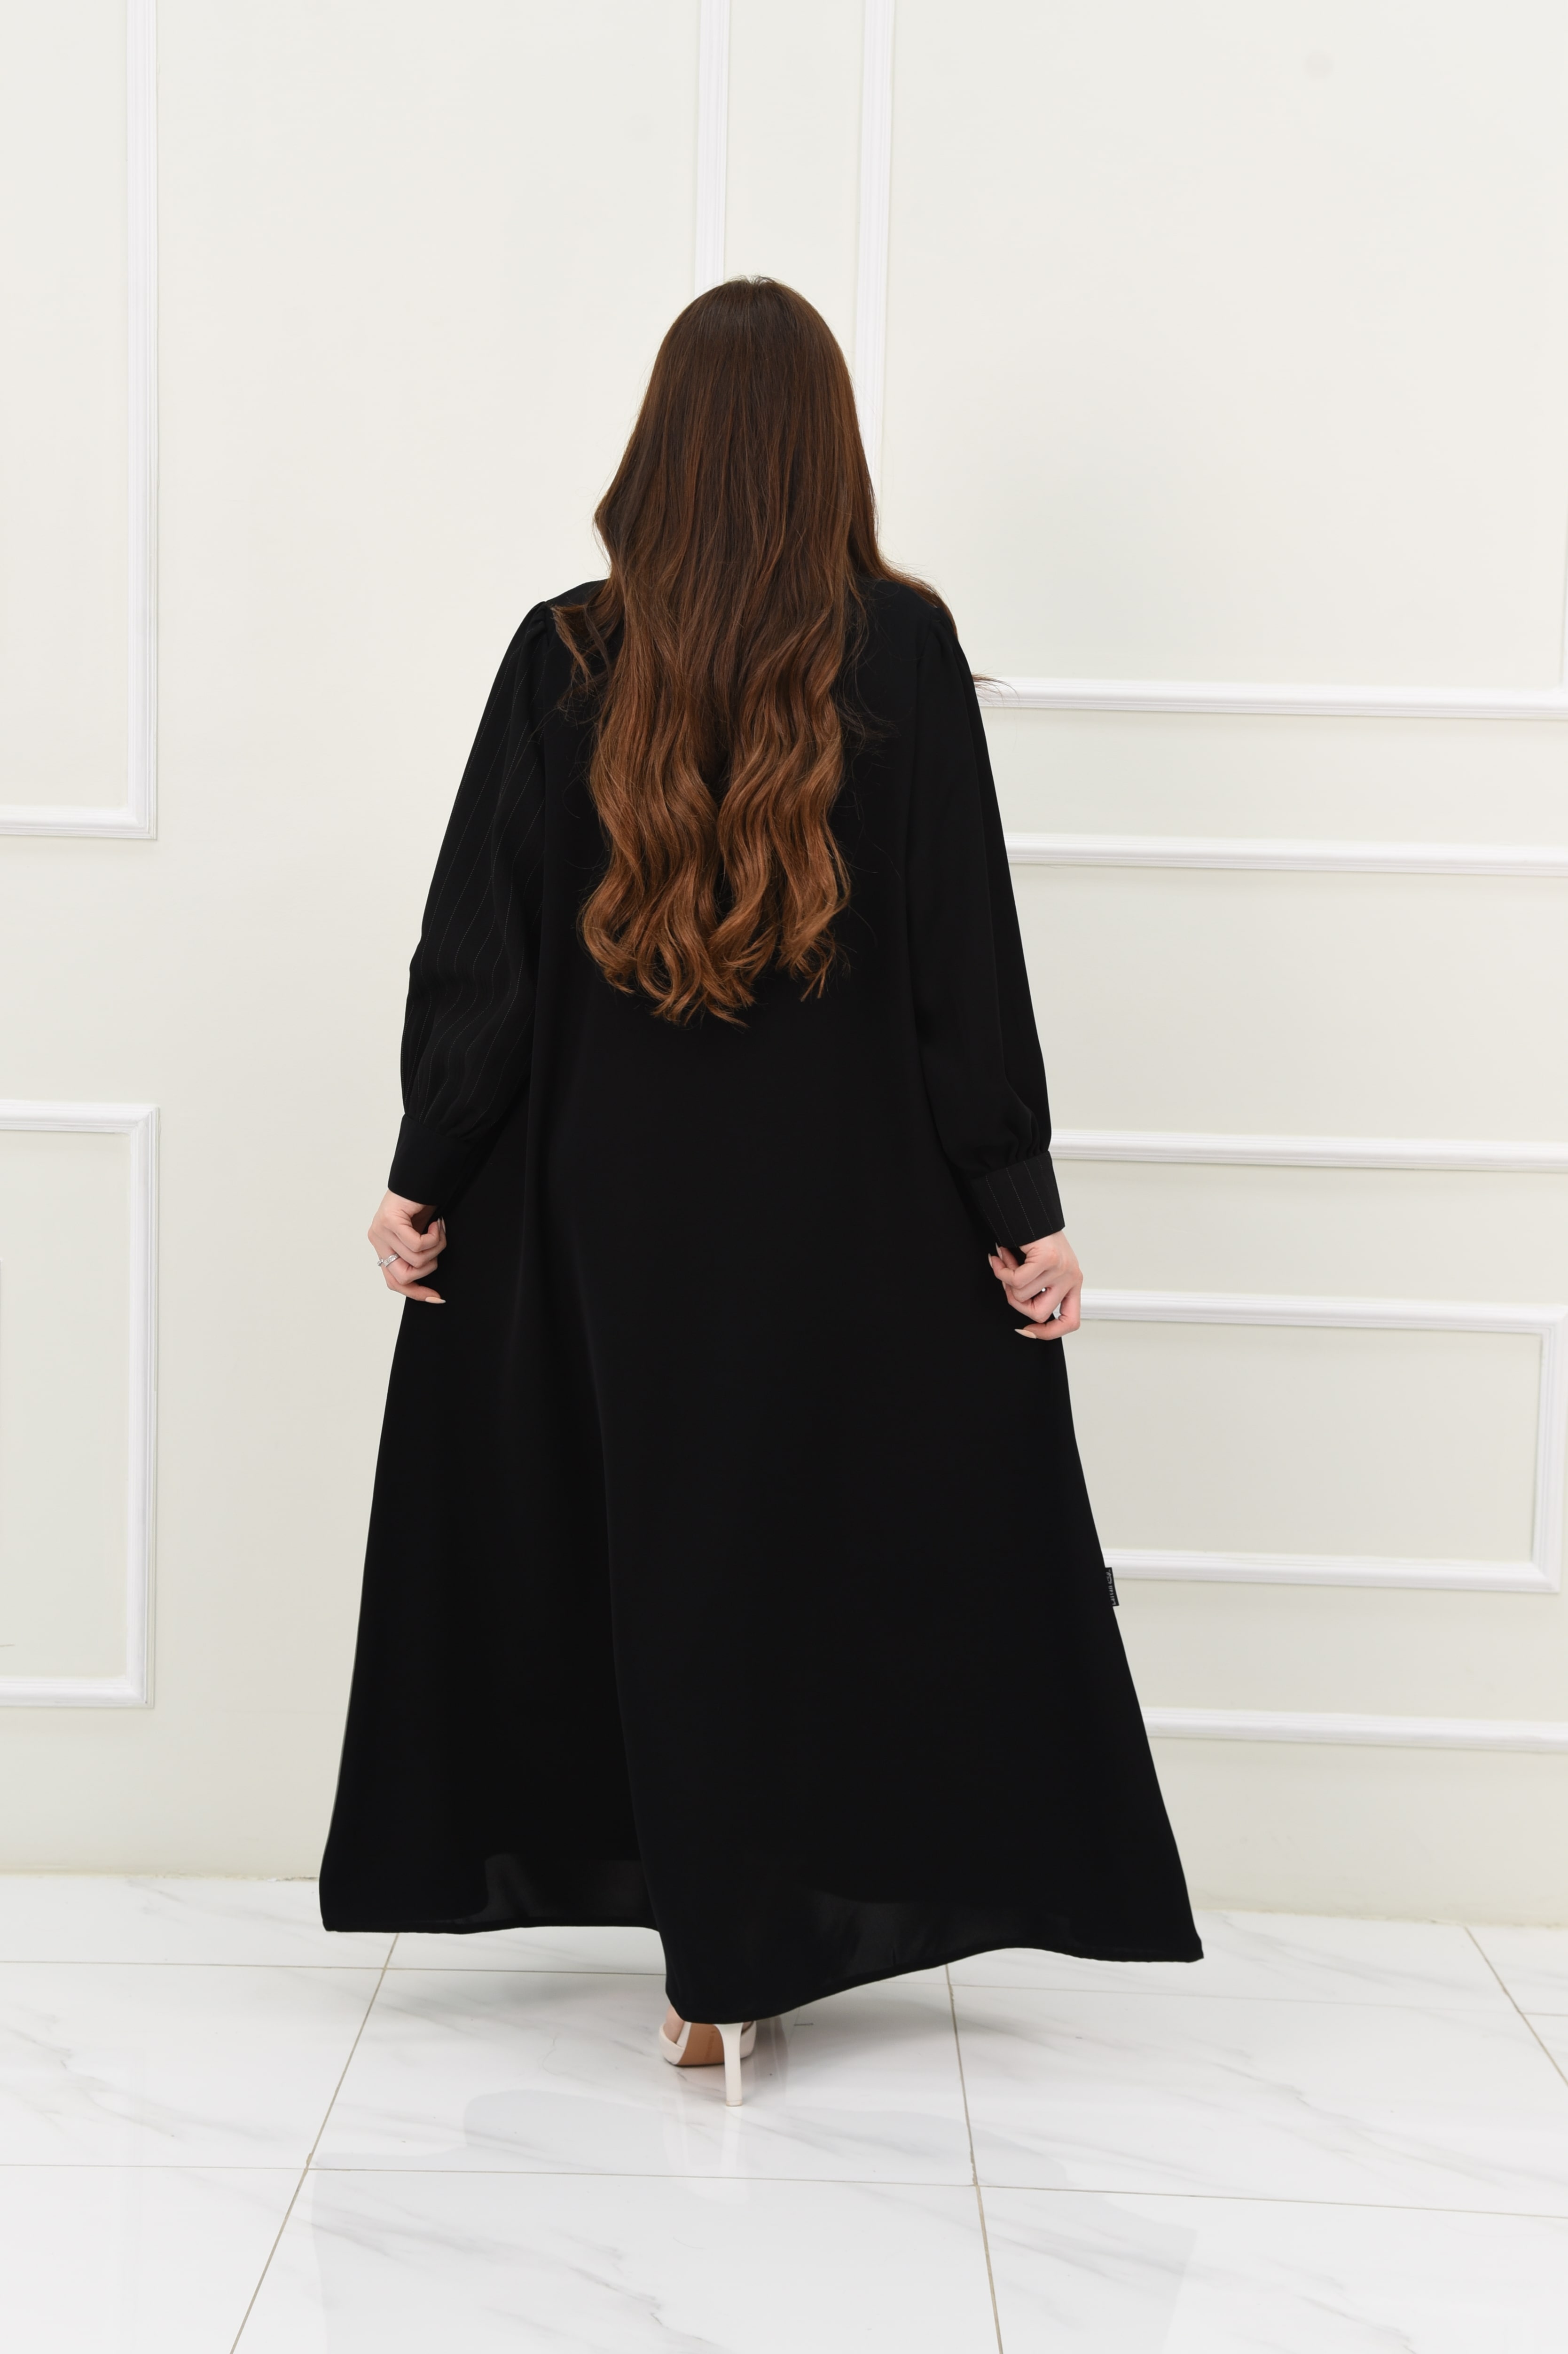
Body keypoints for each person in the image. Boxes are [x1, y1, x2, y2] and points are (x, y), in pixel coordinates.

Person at [319, 277, 1199, 2107]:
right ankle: (748, 1941)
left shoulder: (565, 653)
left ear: (660, 449)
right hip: (847, 1222)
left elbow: (478, 955)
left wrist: (428, 1169)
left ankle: (707, 1967)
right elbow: (963, 962)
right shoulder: (901, 651)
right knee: (807, 1562)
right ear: (824, 451)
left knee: (645, 1558)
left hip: (600, 1216)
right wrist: (1016, 1202)